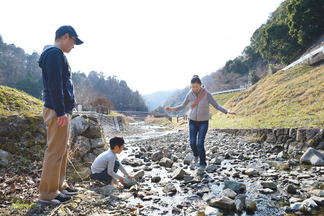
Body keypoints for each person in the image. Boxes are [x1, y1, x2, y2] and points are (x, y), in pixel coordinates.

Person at [38, 25, 83, 204]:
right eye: (73, 41)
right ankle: (48, 194)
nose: (74, 46)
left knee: (62, 150)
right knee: (55, 151)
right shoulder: (54, 54)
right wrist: (60, 111)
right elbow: (55, 84)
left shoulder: (57, 55)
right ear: (66, 37)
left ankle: (60, 186)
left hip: (63, 109)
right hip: (58, 110)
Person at [165, 75, 236, 172]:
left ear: (201, 85)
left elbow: (216, 105)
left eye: (196, 87)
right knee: (192, 143)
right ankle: (195, 155)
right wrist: (172, 109)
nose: (195, 89)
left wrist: (227, 111)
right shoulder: (190, 94)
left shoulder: (207, 94)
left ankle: (203, 163)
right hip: (192, 121)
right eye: (193, 87)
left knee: (200, 143)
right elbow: (183, 105)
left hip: (203, 122)